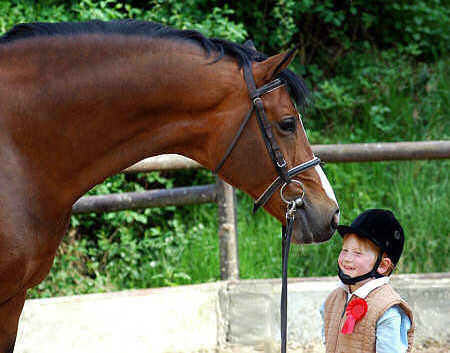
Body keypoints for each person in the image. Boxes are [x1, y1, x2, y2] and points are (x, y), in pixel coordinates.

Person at [320, 209, 414, 353]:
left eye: (357, 253)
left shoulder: (387, 310)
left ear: (383, 265)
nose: (347, 258)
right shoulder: (332, 300)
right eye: (345, 250)